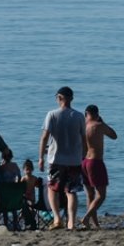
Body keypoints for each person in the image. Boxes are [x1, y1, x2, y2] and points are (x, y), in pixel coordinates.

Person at [39, 85, 87, 230]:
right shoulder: (79, 116)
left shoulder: (52, 115)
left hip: (55, 159)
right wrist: (83, 156)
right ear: (71, 99)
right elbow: (84, 140)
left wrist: (41, 157)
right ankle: (71, 222)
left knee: (53, 189)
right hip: (74, 160)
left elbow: (44, 138)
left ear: (60, 98)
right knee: (71, 191)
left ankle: (57, 219)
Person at [80, 104, 117, 229]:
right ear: (97, 114)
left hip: (83, 162)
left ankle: (95, 224)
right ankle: (86, 218)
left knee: (90, 195)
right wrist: (103, 122)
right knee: (101, 195)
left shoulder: (82, 127)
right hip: (95, 162)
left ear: (86, 114)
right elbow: (114, 135)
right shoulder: (98, 126)